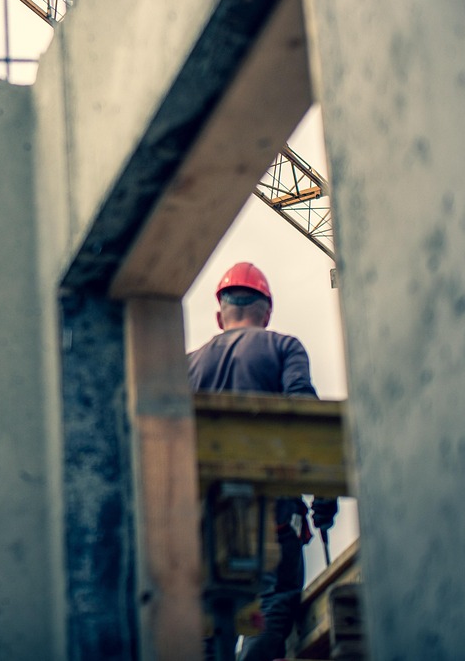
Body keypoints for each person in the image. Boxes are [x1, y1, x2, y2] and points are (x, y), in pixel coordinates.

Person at [188, 261, 338, 661]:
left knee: (207, 615)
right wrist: (324, 496)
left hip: (202, 524)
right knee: (274, 599)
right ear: (266, 312)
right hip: (271, 517)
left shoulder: (185, 367)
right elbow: (307, 419)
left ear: (221, 316)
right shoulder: (283, 347)